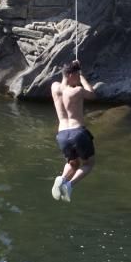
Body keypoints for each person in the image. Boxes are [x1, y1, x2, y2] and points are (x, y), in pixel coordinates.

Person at [50, 60, 97, 202]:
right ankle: (69, 185)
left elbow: (63, 82)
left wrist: (72, 69)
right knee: (89, 163)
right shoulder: (77, 91)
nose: (78, 77)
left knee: (73, 163)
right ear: (71, 75)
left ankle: (62, 179)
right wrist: (82, 78)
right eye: (76, 75)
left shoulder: (54, 87)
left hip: (62, 134)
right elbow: (93, 94)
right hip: (77, 132)